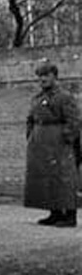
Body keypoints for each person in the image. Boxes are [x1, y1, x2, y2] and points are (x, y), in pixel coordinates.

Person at [24, 61, 80, 227]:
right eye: (40, 76)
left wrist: (65, 139)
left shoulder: (64, 97)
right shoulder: (37, 98)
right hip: (40, 144)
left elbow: (74, 121)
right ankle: (55, 213)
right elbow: (30, 119)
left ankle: (70, 216)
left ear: (55, 77)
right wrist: (32, 136)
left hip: (59, 144)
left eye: (46, 75)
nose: (42, 79)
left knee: (65, 178)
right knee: (47, 178)